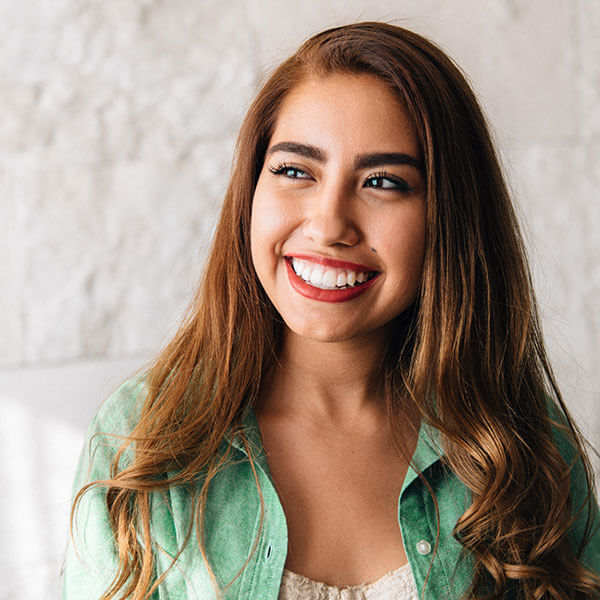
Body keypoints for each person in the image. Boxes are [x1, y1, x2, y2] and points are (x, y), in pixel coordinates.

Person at [63, 22, 600, 600]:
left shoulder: (523, 447)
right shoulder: (141, 443)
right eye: (295, 171)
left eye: (383, 182)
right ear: (250, 191)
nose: (327, 224)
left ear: (449, 218)